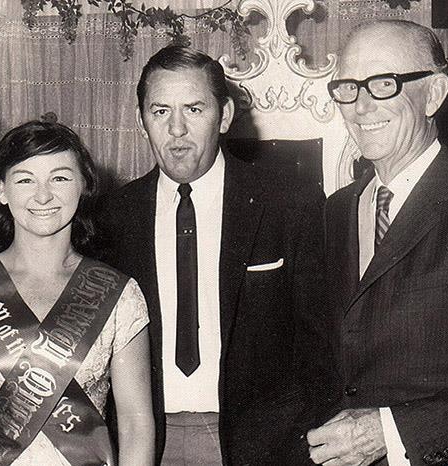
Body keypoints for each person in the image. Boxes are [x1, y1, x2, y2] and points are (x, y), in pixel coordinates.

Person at [98, 45, 331, 465]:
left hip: (259, 445)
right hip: (145, 440)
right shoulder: (113, 216)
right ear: (141, 121)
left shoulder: (288, 202)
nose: (177, 129)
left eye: (194, 109)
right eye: (160, 111)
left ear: (224, 116)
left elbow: (319, 341)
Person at [0, 120, 155, 465]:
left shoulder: (120, 295)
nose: (43, 195)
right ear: (1, 189)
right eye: (25, 179)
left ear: (84, 186)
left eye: (59, 178)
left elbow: (136, 426)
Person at [308, 20, 448, 466]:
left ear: (433, 93)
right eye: (348, 87)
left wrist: (389, 431)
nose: (361, 106)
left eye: (383, 84)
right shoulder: (334, 212)